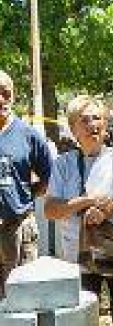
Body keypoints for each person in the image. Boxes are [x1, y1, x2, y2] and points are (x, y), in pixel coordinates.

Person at [44, 96, 113, 326]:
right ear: (74, 128)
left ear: (105, 125)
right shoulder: (62, 164)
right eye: (84, 120)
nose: (92, 125)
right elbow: (50, 210)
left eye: (97, 118)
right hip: (79, 263)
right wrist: (85, 202)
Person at [0, 70, 53, 297]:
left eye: (6, 93)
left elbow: (50, 179)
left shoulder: (29, 135)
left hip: (19, 229)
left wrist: (24, 194)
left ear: (13, 95)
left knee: (20, 301)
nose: (1, 99)